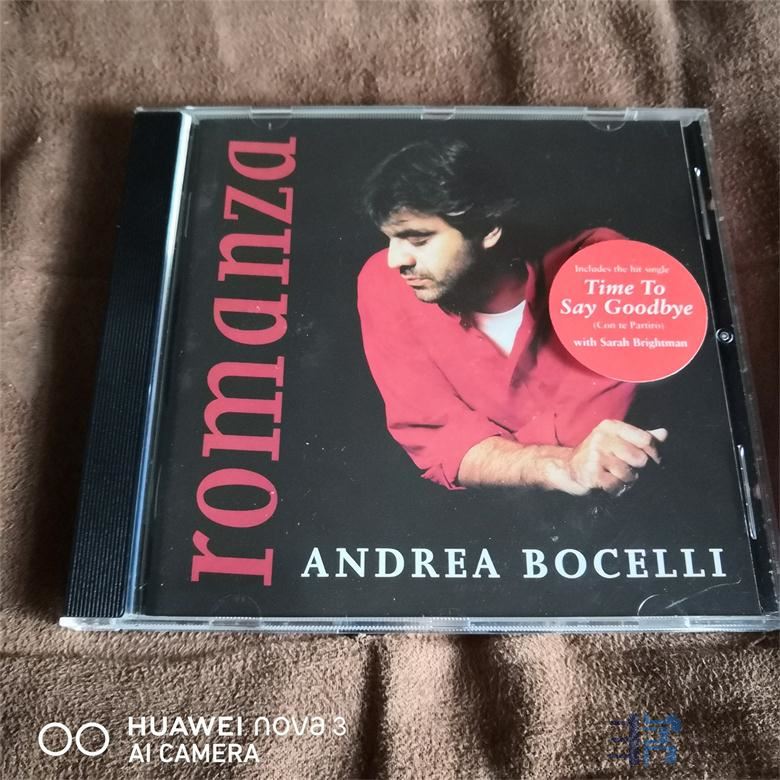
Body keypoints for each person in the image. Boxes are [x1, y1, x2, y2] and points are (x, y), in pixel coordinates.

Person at [357, 138, 667, 497]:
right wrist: (561, 462)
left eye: (418, 239)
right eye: (390, 239)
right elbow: (434, 437)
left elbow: (588, 440)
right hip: (476, 520)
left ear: (489, 229)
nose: (395, 260)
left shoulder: (603, 265)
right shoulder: (383, 282)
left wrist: (485, 450)